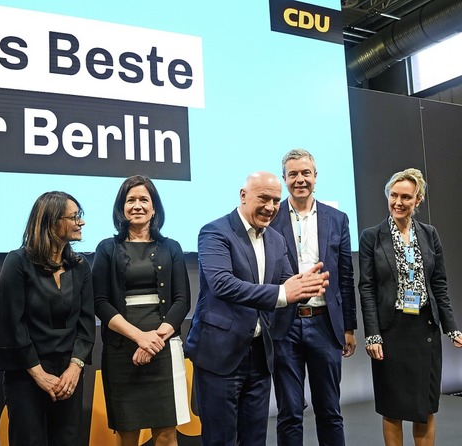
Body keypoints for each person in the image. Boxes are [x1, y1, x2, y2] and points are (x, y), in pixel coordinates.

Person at [184, 171, 330, 446]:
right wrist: (284, 293)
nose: (271, 207)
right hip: (220, 354)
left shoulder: (276, 239)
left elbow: (287, 284)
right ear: (243, 196)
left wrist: (305, 287)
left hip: (260, 355)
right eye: (264, 198)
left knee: (255, 440)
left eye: (276, 200)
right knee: (220, 440)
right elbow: (222, 284)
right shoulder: (214, 231)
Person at [358, 168, 462, 446]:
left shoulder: (429, 234)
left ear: (418, 200)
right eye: (394, 195)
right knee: (392, 410)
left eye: (406, 196)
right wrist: (372, 334)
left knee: (424, 408)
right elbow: (366, 288)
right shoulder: (372, 236)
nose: (398, 202)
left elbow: (439, 284)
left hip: (424, 331)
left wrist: (451, 328)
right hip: (390, 332)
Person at [0, 191, 95, 446]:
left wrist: (74, 367)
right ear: (51, 222)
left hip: (69, 375)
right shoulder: (17, 262)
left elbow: (86, 323)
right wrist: (38, 374)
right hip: (27, 375)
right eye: (74, 217)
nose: (81, 222)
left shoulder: (80, 266)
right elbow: (11, 324)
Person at [92, 175, 191, 446]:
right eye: (130, 200)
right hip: (122, 352)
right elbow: (99, 302)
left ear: (154, 207)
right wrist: (139, 338)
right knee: (127, 435)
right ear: (121, 208)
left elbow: (182, 301)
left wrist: (153, 342)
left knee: (167, 435)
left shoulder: (172, 247)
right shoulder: (106, 249)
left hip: (163, 349)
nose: (137, 205)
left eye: (144, 200)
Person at [269, 149, 357, 445]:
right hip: (285, 326)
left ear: (315, 177)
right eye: (293, 174)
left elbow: (345, 276)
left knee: (330, 411)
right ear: (284, 179)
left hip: (324, 325)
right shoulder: (271, 218)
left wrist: (349, 327)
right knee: (289, 412)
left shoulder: (338, 219)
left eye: (305, 173)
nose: (300, 180)